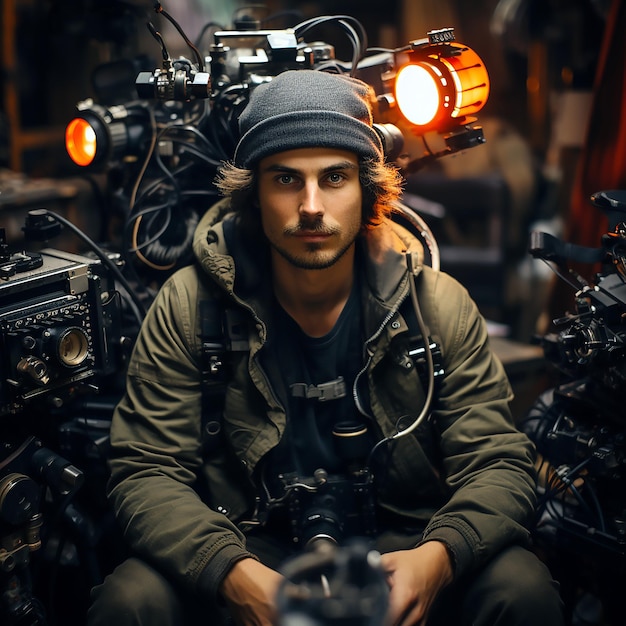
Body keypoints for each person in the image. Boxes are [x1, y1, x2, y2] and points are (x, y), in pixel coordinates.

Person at [88, 69, 564, 626]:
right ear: (254, 193)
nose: (311, 206)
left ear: (367, 189)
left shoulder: (436, 305)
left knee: (520, 586)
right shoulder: (190, 305)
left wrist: (437, 560)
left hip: (403, 543)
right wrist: (232, 574)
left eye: (335, 177)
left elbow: (500, 464)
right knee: (131, 600)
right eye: (286, 180)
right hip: (254, 546)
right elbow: (145, 470)